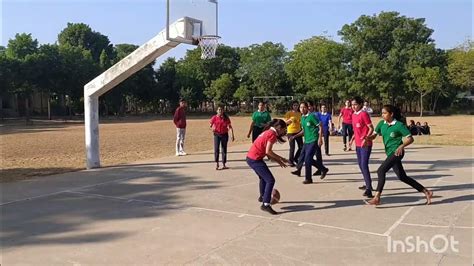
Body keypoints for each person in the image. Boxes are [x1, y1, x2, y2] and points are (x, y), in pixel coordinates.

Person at [365, 105, 433, 206]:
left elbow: (410, 139)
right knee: (402, 177)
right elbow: (374, 136)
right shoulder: (381, 124)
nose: (382, 115)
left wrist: (401, 146)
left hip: (397, 153)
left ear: (391, 114)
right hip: (389, 153)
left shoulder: (399, 125)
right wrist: (367, 138)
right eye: (382, 113)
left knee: (381, 170)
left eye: (384, 113)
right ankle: (426, 191)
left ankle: (377, 197)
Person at [246, 119, 289, 215]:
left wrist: (279, 161)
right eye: (284, 129)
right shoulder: (272, 134)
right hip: (255, 159)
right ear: (278, 128)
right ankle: (265, 204)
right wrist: (281, 159)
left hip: (251, 158)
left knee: (263, 178)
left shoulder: (268, 131)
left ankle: (262, 196)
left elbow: (267, 152)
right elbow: (268, 152)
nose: (284, 132)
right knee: (270, 180)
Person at [290, 102, 329, 184]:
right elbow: (304, 130)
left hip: (313, 140)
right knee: (303, 157)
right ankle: (323, 169)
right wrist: (295, 136)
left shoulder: (312, 116)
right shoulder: (303, 118)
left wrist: (320, 138)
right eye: (301, 107)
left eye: (304, 107)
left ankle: (308, 178)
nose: (302, 109)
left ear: (307, 108)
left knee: (308, 159)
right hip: (306, 141)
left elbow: (320, 125)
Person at [348, 97, 374, 198]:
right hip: (358, 144)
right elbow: (355, 130)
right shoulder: (353, 115)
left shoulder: (364, 114)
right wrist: (352, 139)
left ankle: (369, 189)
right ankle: (368, 184)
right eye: (352, 105)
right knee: (360, 164)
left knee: (364, 164)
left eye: (355, 104)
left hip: (366, 144)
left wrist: (366, 139)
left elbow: (371, 128)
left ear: (360, 104)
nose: (353, 107)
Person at [210, 106, 235, 170]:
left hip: (224, 135)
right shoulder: (214, 117)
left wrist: (232, 134)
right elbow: (211, 125)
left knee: (224, 149)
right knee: (216, 149)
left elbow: (230, 127)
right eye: (219, 109)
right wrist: (213, 128)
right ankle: (217, 163)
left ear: (223, 110)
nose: (220, 111)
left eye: (221, 109)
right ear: (217, 111)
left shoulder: (226, 118)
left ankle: (224, 164)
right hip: (217, 135)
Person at [284, 101, 303, 167]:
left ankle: (295, 158)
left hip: (298, 131)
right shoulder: (289, 113)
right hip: (290, 132)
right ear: (292, 106)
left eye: (297, 105)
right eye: (294, 105)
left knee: (301, 147)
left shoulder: (299, 113)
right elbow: (285, 123)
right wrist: (290, 120)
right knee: (292, 147)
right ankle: (290, 161)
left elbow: (301, 122)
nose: (296, 106)